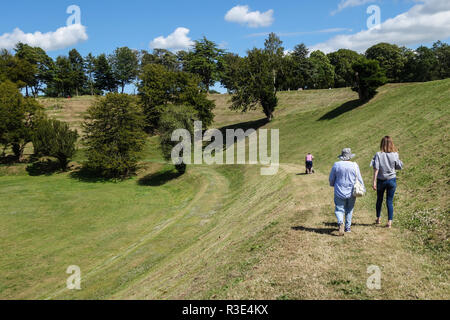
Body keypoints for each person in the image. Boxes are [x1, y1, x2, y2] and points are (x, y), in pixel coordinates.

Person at [329, 148, 365, 235]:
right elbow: (359, 179)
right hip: (352, 192)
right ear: (350, 156)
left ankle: (341, 222)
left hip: (339, 191)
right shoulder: (355, 165)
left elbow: (331, 179)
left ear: (342, 156)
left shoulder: (336, 165)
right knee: (349, 209)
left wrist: (332, 184)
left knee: (339, 209)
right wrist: (363, 188)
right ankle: (347, 228)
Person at [370, 136, 403, 228]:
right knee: (389, 201)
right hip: (392, 180)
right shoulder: (395, 154)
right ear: (391, 144)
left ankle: (378, 218)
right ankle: (389, 222)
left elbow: (376, 168)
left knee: (379, 200)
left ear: (382, 144)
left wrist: (374, 182)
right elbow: (398, 167)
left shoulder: (378, 154)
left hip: (381, 180)